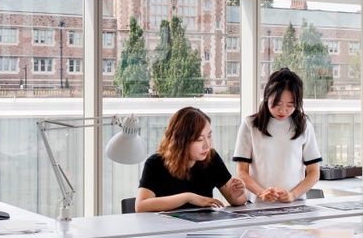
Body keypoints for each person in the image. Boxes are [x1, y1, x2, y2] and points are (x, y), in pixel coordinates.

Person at [233, 68, 322, 203]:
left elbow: (314, 173)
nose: (283, 110)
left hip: (295, 205)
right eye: (277, 104)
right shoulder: (250, 125)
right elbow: (241, 172)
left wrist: (293, 195)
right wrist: (261, 193)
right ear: (267, 97)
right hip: (257, 205)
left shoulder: (303, 125)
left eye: (290, 105)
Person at [136, 107, 246, 212]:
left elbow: (236, 200)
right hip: (167, 229)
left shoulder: (212, 158)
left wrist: (237, 195)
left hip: (203, 229)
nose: (207, 145)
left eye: (209, 136)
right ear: (181, 141)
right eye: (199, 139)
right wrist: (188, 197)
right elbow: (141, 206)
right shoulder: (156, 163)